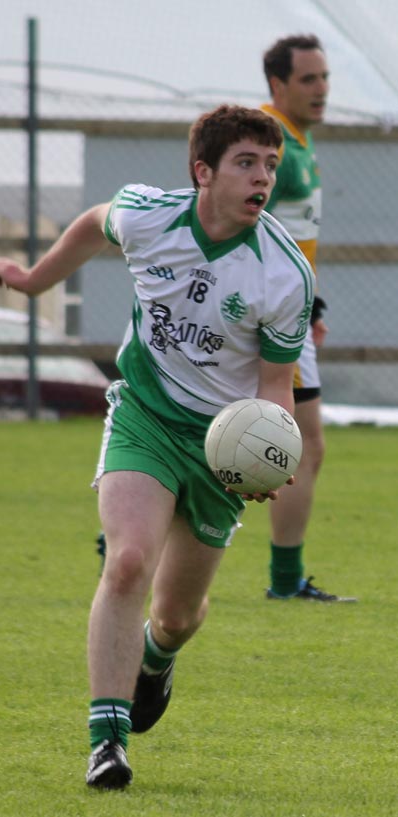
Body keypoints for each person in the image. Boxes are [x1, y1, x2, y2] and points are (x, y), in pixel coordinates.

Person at [0, 105, 315, 790]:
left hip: (221, 447)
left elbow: (274, 388)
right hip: (144, 415)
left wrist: (270, 455)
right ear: (204, 171)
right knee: (128, 558)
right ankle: (107, 740)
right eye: (247, 163)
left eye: (271, 166)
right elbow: (90, 224)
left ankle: (156, 657)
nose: (263, 178)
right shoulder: (148, 215)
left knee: (176, 614)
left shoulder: (282, 274)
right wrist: (34, 281)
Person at [261, 34, 357, 602]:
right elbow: (251, 230)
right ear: (278, 85)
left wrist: (313, 302)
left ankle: (119, 528)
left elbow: (291, 238)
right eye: (309, 79)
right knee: (302, 445)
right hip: (275, 316)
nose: (322, 90)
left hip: (294, 309)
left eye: (325, 79)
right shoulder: (277, 145)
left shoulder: (297, 143)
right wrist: (292, 306)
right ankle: (284, 583)